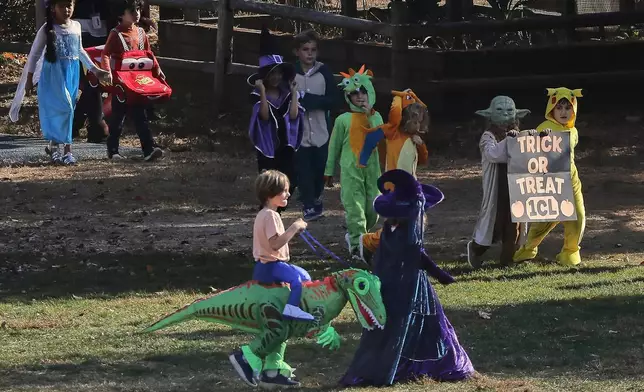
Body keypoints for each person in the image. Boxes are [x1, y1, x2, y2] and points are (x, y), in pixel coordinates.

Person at [339, 169, 472, 387]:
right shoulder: (399, 230)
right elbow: (417, 254)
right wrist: (442, 275)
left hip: (397, 282)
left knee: (412, 323)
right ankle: (406, 363)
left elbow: (409, 254)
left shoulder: (394, 229)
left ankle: (411, 361)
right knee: (406, 322)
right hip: (402, 284)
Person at [9, 0, 110, 164]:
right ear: (53, 8)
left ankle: (55, 146)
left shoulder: (76, 26)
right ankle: (66, 149)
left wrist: (95, 69)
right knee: (66, 108)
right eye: (62, 6)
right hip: (52, 74)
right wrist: (29, 79)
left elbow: (80, 50)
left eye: (70, 5)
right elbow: (34, 55)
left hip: (71, 73)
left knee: (67, 108)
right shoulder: (47, 29)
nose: (67, 9)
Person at [356, 88, 430, 262]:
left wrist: (421, 145)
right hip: (395, 189)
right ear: (405, 119)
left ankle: (393, 249)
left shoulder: (413, 138)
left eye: (420, 122)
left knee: (413, 220)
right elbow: (394, 111)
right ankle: (369, 242)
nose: (418, 126)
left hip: (411, 188)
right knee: (401, 222)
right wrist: (399, 97)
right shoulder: (393, 133)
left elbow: (422, 161)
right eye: (415, 122)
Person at [513, 88, 586, 266]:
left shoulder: (573, 130)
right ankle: (528, 249)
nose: (563, 112)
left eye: (568, 108)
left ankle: (570, 252)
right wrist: (539, 137)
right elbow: (527, 148)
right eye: (559, 107)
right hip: (551, 182)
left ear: (574, 110)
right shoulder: (544, 127)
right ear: (551, 109)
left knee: (577, 216)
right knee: (544, 221)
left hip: (572, 180)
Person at [324, 65, 383, 262]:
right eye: (354, 94)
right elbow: (333, 147)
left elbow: (379, 137)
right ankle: (358, 246)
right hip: (350, 171)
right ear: (348, 98)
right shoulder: (343, 120)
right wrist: (329, 170)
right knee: (355, 208)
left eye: (363, 92)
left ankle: (360, 238)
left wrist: (369, 115)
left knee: (373, 208)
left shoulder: (376, 117)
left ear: (370, 92)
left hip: (372, 171)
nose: (359, 97)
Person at [467, 96, 531, 268]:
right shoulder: (487, 137)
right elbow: (494, 155)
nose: (505, 114)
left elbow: (530, 152)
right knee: (493, 225)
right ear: (490, 115)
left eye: (509, 110)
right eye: (500, 110)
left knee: (514, 224)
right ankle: (476, 249)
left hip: (514, 188)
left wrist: (534, 137)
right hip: (497, 188)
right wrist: (510, 140)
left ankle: (507, 260)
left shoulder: (519, 134)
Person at [101, 0, 164, 161]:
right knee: (117, 118)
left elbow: (149, 54)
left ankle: (148, 149)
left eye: (138, 9)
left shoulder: (142, 33)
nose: (136, 13)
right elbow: (106, 54)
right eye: (132, 10)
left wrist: (158, 71)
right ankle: (113, 150)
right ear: (121, 14)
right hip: (122, 85)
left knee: (140, 115)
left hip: (138, 83)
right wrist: (107, 71)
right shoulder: (116, 34)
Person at [249, 27, 303, 212]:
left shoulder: (287, 94)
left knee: (292, 176)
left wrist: (294, 93)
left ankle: (277, 205)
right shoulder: (257, 95)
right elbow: (263, 117)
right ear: (264, 76)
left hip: (285, 143)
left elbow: (295, 116)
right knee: (268, 179)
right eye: (271, 74)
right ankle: (269, 209)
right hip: (268, 145)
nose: (275, 77)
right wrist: (263, 92)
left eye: (278, 73)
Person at [251, 170, 313, 321]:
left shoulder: (266, 214)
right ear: (270, 193)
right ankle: (291, 310)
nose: (288, 194)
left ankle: (296, 305)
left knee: (305, 276)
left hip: (269, 265)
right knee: (297, 280)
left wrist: (294, 232)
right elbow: (275, 244)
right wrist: (295, 226)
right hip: (269, 266)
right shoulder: (270, 215)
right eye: (284, 191)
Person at [292, 29, 339, 221]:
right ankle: (308, 204)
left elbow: (334, 100)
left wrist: (309, 100)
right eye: (305, 49)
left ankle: (317, 196)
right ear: (297, 52)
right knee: (303, 169)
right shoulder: (291, 73)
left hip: (321, 130)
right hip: (298, 132)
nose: (309, 54)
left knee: (320, 167)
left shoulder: (324, 72)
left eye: (313, 50)